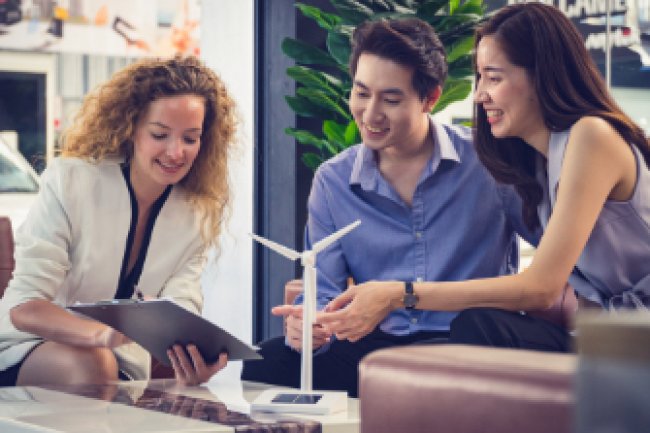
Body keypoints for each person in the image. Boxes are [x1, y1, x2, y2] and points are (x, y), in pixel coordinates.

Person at [316, 3, 650, 355]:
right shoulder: (540, 161)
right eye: (480, 78)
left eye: (494, 77)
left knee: (480, 326)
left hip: (634, 339)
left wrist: (401, 294)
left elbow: (542, 287)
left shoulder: (591, 136)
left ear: (540, 75)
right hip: (612, 335)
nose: (479, 95)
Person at [242, 18, 539, 397]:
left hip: (465, 341)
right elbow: (323, 289)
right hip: (376, 342)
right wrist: (309, 326)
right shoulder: (333, 181)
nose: (370, 114)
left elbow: (552, 257)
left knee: (432, 368)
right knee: (266, 365)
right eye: (362, 93)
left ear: (430, 98)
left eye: (391, 99)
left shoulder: (489, 165)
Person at [0, 55, 238, 387]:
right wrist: (101, 335)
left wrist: (191, 355)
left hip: (122, 368)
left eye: (190, 138)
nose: (175, 152)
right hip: (28, 350)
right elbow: (23, 308)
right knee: (94, 365)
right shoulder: (72, 181)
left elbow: (181, 304)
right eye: (160, 134)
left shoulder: (196, 213)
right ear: (131, 129)